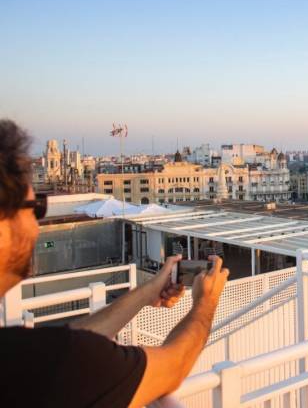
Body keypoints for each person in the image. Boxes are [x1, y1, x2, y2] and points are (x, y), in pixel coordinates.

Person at [0, 119, 230, 408]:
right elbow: (172, 367)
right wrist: (205, 303)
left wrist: (145, 294)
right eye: (36, 208)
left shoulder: (26, 358)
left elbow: (67, 346)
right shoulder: (53, 365)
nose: (37, 225)